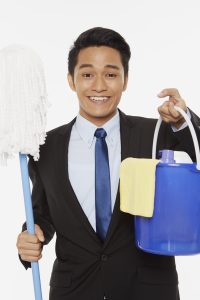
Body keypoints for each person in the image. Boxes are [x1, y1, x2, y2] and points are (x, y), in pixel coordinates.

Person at [16, 27, 200, 300]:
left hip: (148, 290)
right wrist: (30, 237)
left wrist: (183, 122)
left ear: (125, 80)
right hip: (74, 290)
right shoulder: (44, 147)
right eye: (87, 74)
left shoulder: (156, 133)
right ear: (71, 80)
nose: (99, 86)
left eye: (111, 74)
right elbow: (42, 214)